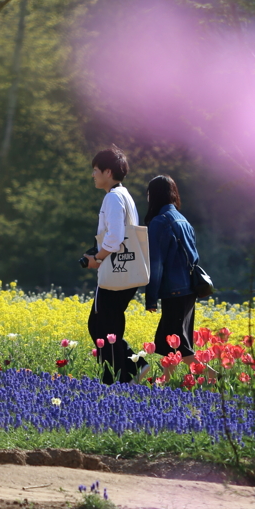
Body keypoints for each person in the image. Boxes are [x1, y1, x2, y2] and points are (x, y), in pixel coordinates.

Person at [85, 146, 147, 384]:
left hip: (114, 273)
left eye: (95, 170)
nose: (93, 175)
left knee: (101, 327)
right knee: (108, 325)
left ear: (107, 172)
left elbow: (114, 238)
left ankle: (117, 380)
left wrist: (97, 258)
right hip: (127, 272)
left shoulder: (112, 197)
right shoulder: (126, 196)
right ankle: (133, 364)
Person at [145, 175, 203, 382]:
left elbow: (156, 263)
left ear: (154, 195)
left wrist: (151, 298)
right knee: (169, 341)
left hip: (174, 290)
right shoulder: (183, 219)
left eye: (149, 193)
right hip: (188, 288)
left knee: (178, 343)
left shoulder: (160, 222)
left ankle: (214, 377)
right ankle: (164, 382)